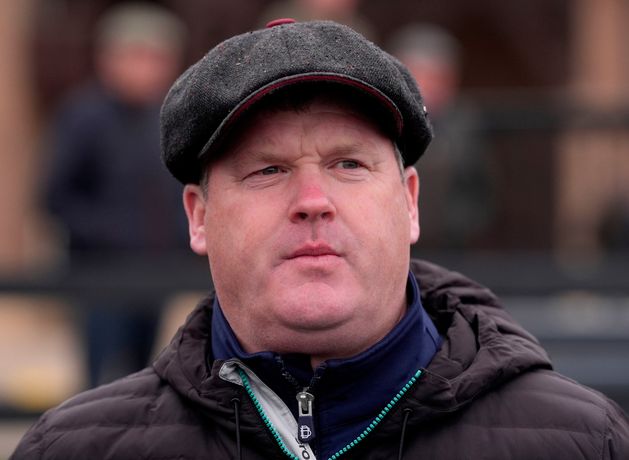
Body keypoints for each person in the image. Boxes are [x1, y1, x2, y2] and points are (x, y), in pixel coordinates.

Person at [14, 19, 629, 459]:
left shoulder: (580, 443)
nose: (313, 200)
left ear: (410, 202)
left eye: (349, 164)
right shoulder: (74, 449)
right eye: (268, 170)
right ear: (199, 217)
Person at [43, 3, 188, 387]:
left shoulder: (168, 116)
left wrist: (179, 240)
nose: (146, 69)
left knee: (145, 378)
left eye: (157, 58)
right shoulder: (83, 116)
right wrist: (109, 235)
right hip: (99, 274)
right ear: (107, 59)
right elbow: (56, 197)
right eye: (137, 56)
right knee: (99, 380)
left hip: (156, 272)